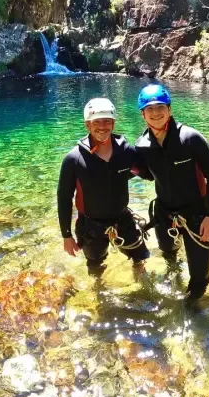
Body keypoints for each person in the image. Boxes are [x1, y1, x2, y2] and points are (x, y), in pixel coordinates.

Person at [135, 84, 209, 302]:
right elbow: (149, 174)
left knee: (199, 277)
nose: (156, 113)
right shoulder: (142, 145)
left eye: (161, 107)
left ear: (170, 109)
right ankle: (174, 277)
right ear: (142, 114)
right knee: (168, 254)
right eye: (150, 109)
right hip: (164, 215)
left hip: (197, 214)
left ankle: (190, 310)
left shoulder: (190, 138)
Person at [57, 98, 150, 274]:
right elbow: (64, 198)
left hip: (123, 220)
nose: (102, 126)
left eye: (107, 121)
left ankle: (142, 282)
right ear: (87, 125)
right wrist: (66, 235)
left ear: (113, 123)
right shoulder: (74, 159)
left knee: (140, 258)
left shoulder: (126, 152)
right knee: (95, 266)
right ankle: (98, 289)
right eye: (96, 122)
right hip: (91, 226)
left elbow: (148, 173)